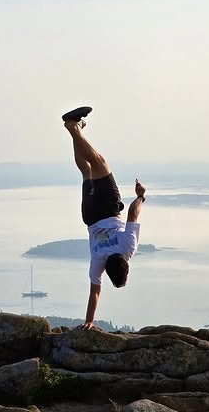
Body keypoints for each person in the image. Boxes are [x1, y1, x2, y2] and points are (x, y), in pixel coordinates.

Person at [62, 107, 146, 331]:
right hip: (89, 216)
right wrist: (89, 320)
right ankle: (75, 128)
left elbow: (132, 213)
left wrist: (141, 197)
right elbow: (94, 291)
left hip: (108, 208)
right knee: (86, 170)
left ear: (126, 265)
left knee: (100, 164)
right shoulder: (98, 263)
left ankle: (73, 127)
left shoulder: (128, 248)